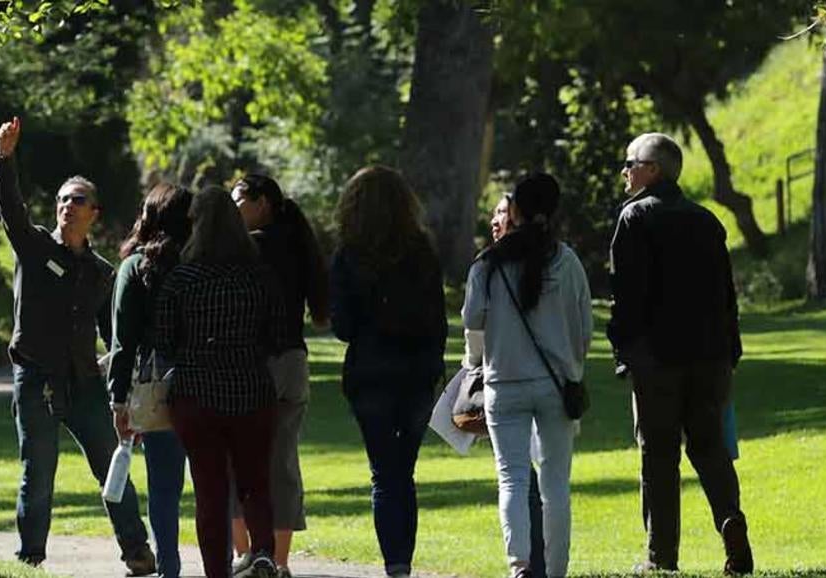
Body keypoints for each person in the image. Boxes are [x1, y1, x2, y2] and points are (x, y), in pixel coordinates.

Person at [0, 117, 157, 574]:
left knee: (112, 467)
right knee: (38, 474)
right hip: (36, 379)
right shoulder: (35, 246)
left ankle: (137, 551)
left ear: (93, 213)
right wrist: (4, 159)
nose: (67, 206)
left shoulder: (102, 272)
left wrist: (121, 392)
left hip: (84, 384)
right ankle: (30, 559)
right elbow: (11, 210)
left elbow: (115, 335)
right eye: (63, 200)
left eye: (77, 200)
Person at [607, 133, 752, 574]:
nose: (626, 171)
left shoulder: (634, 218)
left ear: (652, 170)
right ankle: (730, 519)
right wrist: (731, 351)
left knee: (659, 455)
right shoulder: (707, 221)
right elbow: (727, 295)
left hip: (658, 359)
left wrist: (624, 350)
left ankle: (661, 556)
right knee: (710, 447)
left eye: (631, 163)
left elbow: (627, 294)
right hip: (710, 357)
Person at [132, 186, 284, 578]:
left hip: (197, 395)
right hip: (251, 389)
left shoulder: (182, 279)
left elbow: (164, 341)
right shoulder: (261, 276)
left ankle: (216, 569)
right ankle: (264, 552)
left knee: (210, 491)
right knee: (255, 481)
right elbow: (277, 334)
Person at [466, 173, 595, 578]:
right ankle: (556, 569)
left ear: (515, 211)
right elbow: (584, 331)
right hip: (556, 384)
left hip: (504, 381)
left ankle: (519, 564)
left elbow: (473, 320)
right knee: (556, 484)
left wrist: (477, 361)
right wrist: (571, 368)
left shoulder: (488, 264)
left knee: (512, 479)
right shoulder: (567, 262)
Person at [326, 167, 446, 578]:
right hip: (416, 372)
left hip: (371, 373)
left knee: (384, 473)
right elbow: (436, 318)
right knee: (404, 472)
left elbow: (342, 325)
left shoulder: (349, 255)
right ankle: (403, 562)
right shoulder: (422, 251)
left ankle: (394, 563)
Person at [227, 174, 329, 574]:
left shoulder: (250, 249)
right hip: (294, 364)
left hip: (258, 365)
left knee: (237, 460)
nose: (235, 212)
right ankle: (280, 561)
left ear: (262, 202)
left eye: (239, 203)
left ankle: (246, 553)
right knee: (282, 464)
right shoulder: (300, 245)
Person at [109, 182, 196, 578]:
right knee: (215, 482)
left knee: (163, 487)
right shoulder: (202, 264)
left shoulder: (136, 267)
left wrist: (118, 399)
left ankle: (170, 568)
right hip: (209, 376)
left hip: (156, 384)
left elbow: (122, 341)